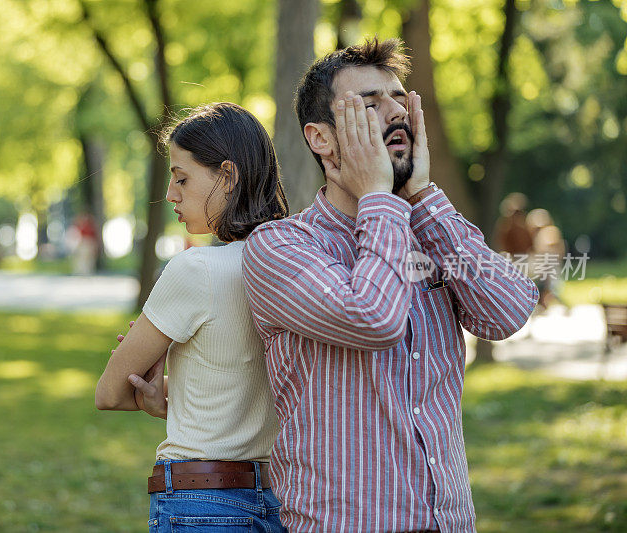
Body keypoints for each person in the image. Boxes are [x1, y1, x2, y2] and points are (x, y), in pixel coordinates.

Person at [241, 37, 539, 531]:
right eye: (370, 104)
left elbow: (509, 312)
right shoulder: (279, 248)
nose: (396, 113)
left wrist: (421, 195)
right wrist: (379, 193)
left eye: (399, 99)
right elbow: (374, 317)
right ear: (321, 138)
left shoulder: (430, 232)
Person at [95, 103, 289, 532]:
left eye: (182, 178)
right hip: (279, 503)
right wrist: (171, 396)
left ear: (228, 175)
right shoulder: (294, 266)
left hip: (200, 503)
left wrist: (155, 392)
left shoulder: (196, 270)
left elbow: (109, 392)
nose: (170, 194)